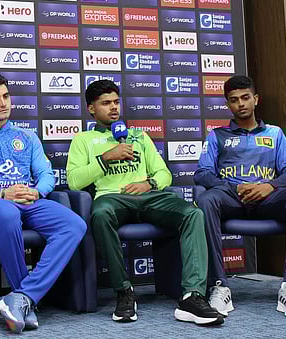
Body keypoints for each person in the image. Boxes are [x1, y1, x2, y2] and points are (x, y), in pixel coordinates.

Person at [67, 79, 222, 326]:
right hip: (112, 198)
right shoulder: (83, 140)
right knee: (100, 214)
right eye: (106, 103)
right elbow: (74, 181)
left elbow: (164, 174)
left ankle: (192, 296)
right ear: (91, 109)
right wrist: (106, 158)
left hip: (149, 197)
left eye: (116, 102)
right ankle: (124, 291)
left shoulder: (139, 136)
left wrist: (148, 183)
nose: (113, 108)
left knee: (194, 214)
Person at [0, 73, 86, 332]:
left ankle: (22, 297)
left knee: (74, 225)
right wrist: (0, 193)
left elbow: (46, 174)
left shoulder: (27, 137)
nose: (3, 103)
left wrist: (38, 192)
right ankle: (24, 299)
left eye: (6, 96)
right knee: (8, 216)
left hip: (29, 199)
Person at [193, 75, 286, 319]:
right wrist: (233, 188)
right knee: (206, 200)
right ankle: (219, 285)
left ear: (255, 99)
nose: (241, 104)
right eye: (234, 100)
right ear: (228, 104)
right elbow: (202, 173)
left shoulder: (275, 133)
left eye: (245, 97)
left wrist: (270, 186)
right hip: (232, 199)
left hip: (268, 198)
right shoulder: (217, 135)